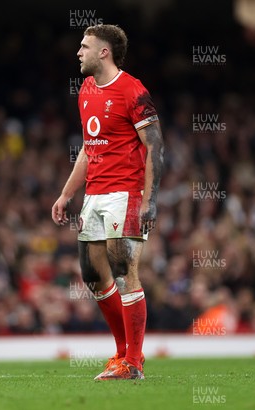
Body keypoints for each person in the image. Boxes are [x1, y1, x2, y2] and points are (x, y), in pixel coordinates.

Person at [52, 24, 164, 380]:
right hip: (95, 194)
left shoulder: (133, 90)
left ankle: (134, 361)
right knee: (92, 275)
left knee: (123, 270)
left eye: (85, 47)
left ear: (105, 52)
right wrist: (67, 193)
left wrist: (150, 199)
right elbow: (89, 147)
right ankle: (121, 355)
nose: (78, 52)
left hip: (126, 193)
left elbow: (155, 146)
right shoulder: (85, 89)